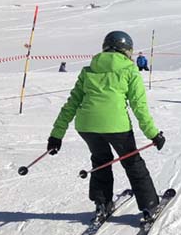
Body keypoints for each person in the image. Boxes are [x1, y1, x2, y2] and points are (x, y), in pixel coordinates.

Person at [46, 31, 165, 221]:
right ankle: (150, 205)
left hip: (87, 126)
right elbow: (139, 106)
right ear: (127, 51)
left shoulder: (89, 70)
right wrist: (153, 133)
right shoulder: (130, 70)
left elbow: (71, 104)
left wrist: (56, 135)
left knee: (101, 161)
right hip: (116, 127)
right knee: (133, 163)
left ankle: (102, 203)